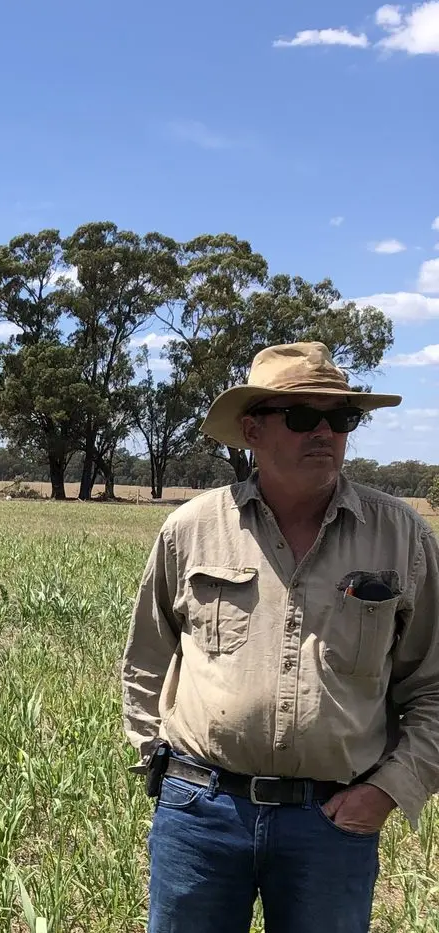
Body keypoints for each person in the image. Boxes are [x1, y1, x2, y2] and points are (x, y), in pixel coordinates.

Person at [120, 341, 439, 932]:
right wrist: (155, 764)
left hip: (333, 823)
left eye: (341, 419)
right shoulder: (192, 529)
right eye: (300, 417)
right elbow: (145, 658)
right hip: (200, 813)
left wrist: (391, 790)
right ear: (251, 430)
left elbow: (434, 687)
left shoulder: (402, 537)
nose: (325, 432)